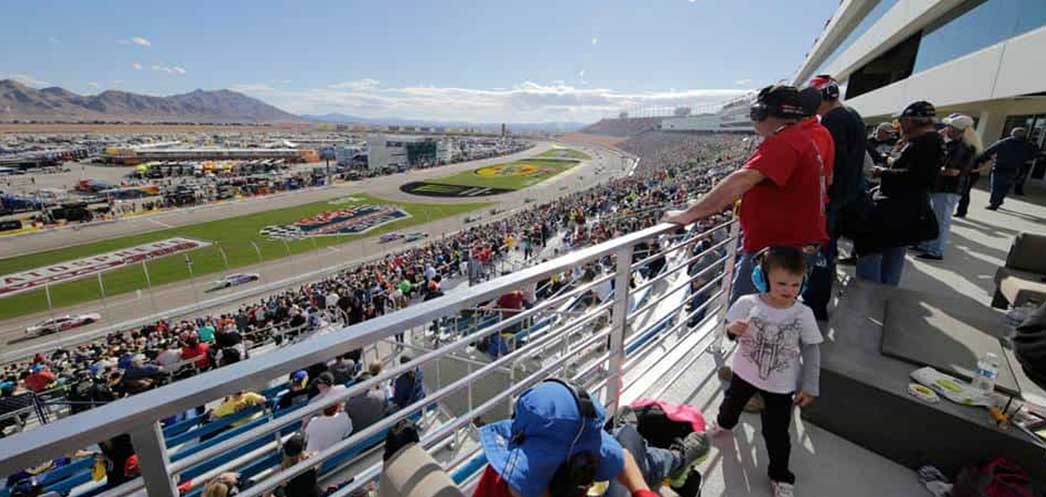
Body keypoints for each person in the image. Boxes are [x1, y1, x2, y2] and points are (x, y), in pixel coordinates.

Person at [666, 84, 828, 302]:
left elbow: (741, 180)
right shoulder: (798, 138)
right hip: (789, 246)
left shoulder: (786, 142)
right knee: (772, 314)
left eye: (756, 112)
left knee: (747, 316)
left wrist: (687, 215)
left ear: (766, 113)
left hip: (779, 252)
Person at [708, 246, 822, 497]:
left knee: (777, 434)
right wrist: (732, 330)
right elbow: (729, 331)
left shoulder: (803, 314)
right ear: (762, 278)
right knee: (731, 404)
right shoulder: (746, 303)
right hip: (743, 373)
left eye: (796, 284)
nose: (789, 290)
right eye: (781, 283)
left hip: (781, 386)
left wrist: (810, 385)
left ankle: (780, 476)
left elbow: (812, 350)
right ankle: (723, 424)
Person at [473, 380, 709, 497]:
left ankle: (672, 458)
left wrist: (642, 492)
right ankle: (676, 459)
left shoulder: (498, 472)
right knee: (629, 440)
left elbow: (623, 458)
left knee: (627, 441)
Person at [854, 101, 944, 286]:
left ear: (911, 120)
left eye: (902, 121)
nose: (900, 126)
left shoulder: (927, 142)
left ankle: (867, 291)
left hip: (899, 208)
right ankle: (885, 293)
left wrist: (883, 173)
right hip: (903, 207)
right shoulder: (923, 140)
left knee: (870, 248)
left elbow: (919, 177)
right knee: (893, 250)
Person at [800, 75, 866, 320]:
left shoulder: (833, 121)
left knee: (821, 252)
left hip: (832, 197)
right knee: (826, 249)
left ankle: (815, 303)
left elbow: (828, 165)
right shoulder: (851, 115)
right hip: (845, 194)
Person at [915, 113, 979, 261]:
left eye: (949, 127)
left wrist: (932, 169)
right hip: (941, 187)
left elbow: (953, 171)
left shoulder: (963, 147)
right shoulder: (954, 144)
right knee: (933, 218)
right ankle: (926, 245)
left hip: (948, 188)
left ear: (956, 129)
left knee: (941, 220)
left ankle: (935, 250)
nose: (946, 129)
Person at [980, 127, 1039, 210]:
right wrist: (1024, 159)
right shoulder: (1027, 145)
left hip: (999, 167)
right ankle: (999, 200)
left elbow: (989, 151)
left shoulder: (1004, 142)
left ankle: (994, 203)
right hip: (1014, 168)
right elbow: (1034, 155)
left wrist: (983, 160)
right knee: (1005, 186)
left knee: (996, 186)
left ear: (1012, 133)